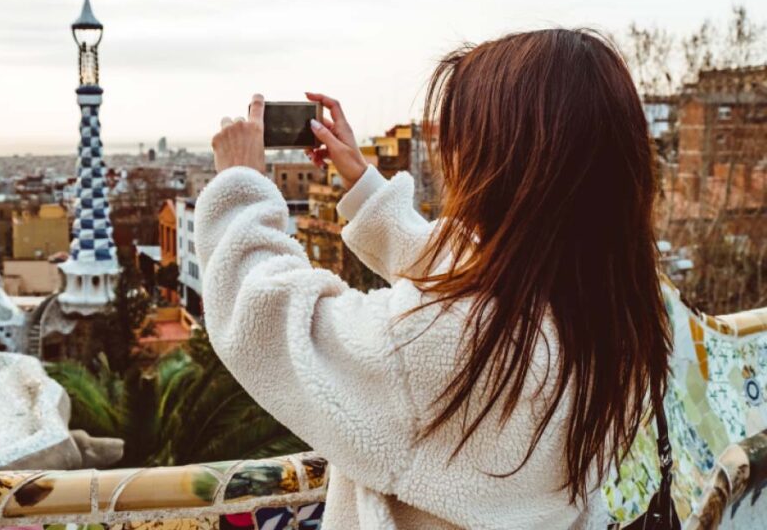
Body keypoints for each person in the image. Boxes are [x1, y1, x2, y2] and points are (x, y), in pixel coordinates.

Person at [194, 29, 671, 529]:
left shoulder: (451, 343)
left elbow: (270, 323)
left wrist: (238, 189)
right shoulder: (611, 309)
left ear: (507, 160)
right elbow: (471, 276)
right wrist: (362, 184)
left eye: (464, 136)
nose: (451, 156)